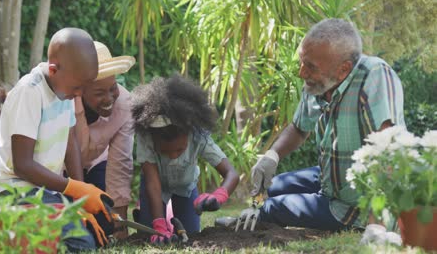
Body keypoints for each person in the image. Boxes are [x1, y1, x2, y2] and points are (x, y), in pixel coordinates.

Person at [249, 18, 405, 231]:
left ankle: (254, 218)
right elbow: (298, 128)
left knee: (271, 208)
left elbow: (388, 149)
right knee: (273, 187)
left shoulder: (374, 74)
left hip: (355, 203)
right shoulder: (318, 83)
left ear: (344, 69)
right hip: (331, 179)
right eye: (302, 62)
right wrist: (272, 156)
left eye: (311, 67)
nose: (302, 73)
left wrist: (377, 225)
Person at [0, 28, 114, 251]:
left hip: (41, 192)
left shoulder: (66, 89)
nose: (80, 94)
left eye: (84, 87)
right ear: (53, 70)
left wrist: (80, 196)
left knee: (96, 229)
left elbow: (70, 140)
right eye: (77, 87)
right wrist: (74, 190)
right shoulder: (30, 92)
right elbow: (23, 166)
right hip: (9, 192)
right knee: (80, 243)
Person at [131, 76, 239, 243]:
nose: (174, 155)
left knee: (190, 234)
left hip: (186, 188)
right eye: (165, 152)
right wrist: (158, 225)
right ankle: (160, 215)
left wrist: (219, 196)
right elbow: (153, 184)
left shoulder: (198, 136)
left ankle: (167, 214)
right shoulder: (147, 138)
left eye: (180, 150)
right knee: (149, 234)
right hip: (154, 189)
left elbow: (231, 173)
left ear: (189, 133)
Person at [73, 41, 135, 240]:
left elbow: (120, 164)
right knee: (76, 229)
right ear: (80, 90)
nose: (109, 98)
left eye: (113, 88)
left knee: (106, 224)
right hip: (61, 171)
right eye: (99, 93)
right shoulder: (64, 103)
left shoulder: (124, 105)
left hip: (97, 163)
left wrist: (120, 224)